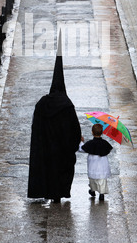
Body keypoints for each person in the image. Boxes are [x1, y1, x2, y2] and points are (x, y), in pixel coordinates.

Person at [27, 32, 81, 203]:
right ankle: (58, 194)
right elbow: (75, 130)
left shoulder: (42, 104)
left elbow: (35, 129)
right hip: (61, 151)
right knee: (61, 168)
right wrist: (73, 144)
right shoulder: (67, 105)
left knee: (48, 168)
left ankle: (46, 191)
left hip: (46, 150)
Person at [79, 123, 113, 201]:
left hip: (92, 165)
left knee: (93, 179)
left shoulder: (90, 143)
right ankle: (101, 194)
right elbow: (109, 149)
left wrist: (81, 142)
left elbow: (81, 149)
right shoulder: (104, 143)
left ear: (92, 132)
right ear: (102, 132)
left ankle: (92, 190)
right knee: (102, 180)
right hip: (102, 166)